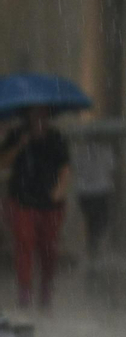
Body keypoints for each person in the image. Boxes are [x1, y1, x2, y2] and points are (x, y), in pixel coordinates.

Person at [0, 107, 73, 307]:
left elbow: (65, 167)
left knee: (48, 247)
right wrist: (19, 146)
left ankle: (46, 287)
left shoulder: (56, 137)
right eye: (35, 114)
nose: (39, 118)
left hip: (50, 203)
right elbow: (3, 162)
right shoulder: (17, 135)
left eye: (43, 114)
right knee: (24, 244)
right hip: (22, 200)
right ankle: (25, 289)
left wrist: (59, 189)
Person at [73, 137, 116, 261]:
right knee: (97, 221)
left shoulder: (81, 152)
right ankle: (93, 244)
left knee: (93, 220)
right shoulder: (105, 151)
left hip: (89, 191)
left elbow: (77, 169)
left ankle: (92, 244)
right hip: (97, 191)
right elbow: (111, 169)